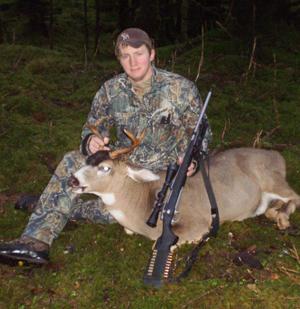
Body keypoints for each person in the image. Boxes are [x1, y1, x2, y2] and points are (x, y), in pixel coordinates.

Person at [0, 28, 212, 265]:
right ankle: (35, 242)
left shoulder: (180, 89)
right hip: (119, 168)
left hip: (159, 177)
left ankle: (50, 204)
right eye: (125, 55)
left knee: (113, 214)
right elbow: (93, 126)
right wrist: (91, 141)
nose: (133, 62)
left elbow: (201, 133)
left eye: (139, 53)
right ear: (119, 59)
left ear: (152, 54)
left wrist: (192, 159)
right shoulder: (110, 90)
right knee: (73, 161)